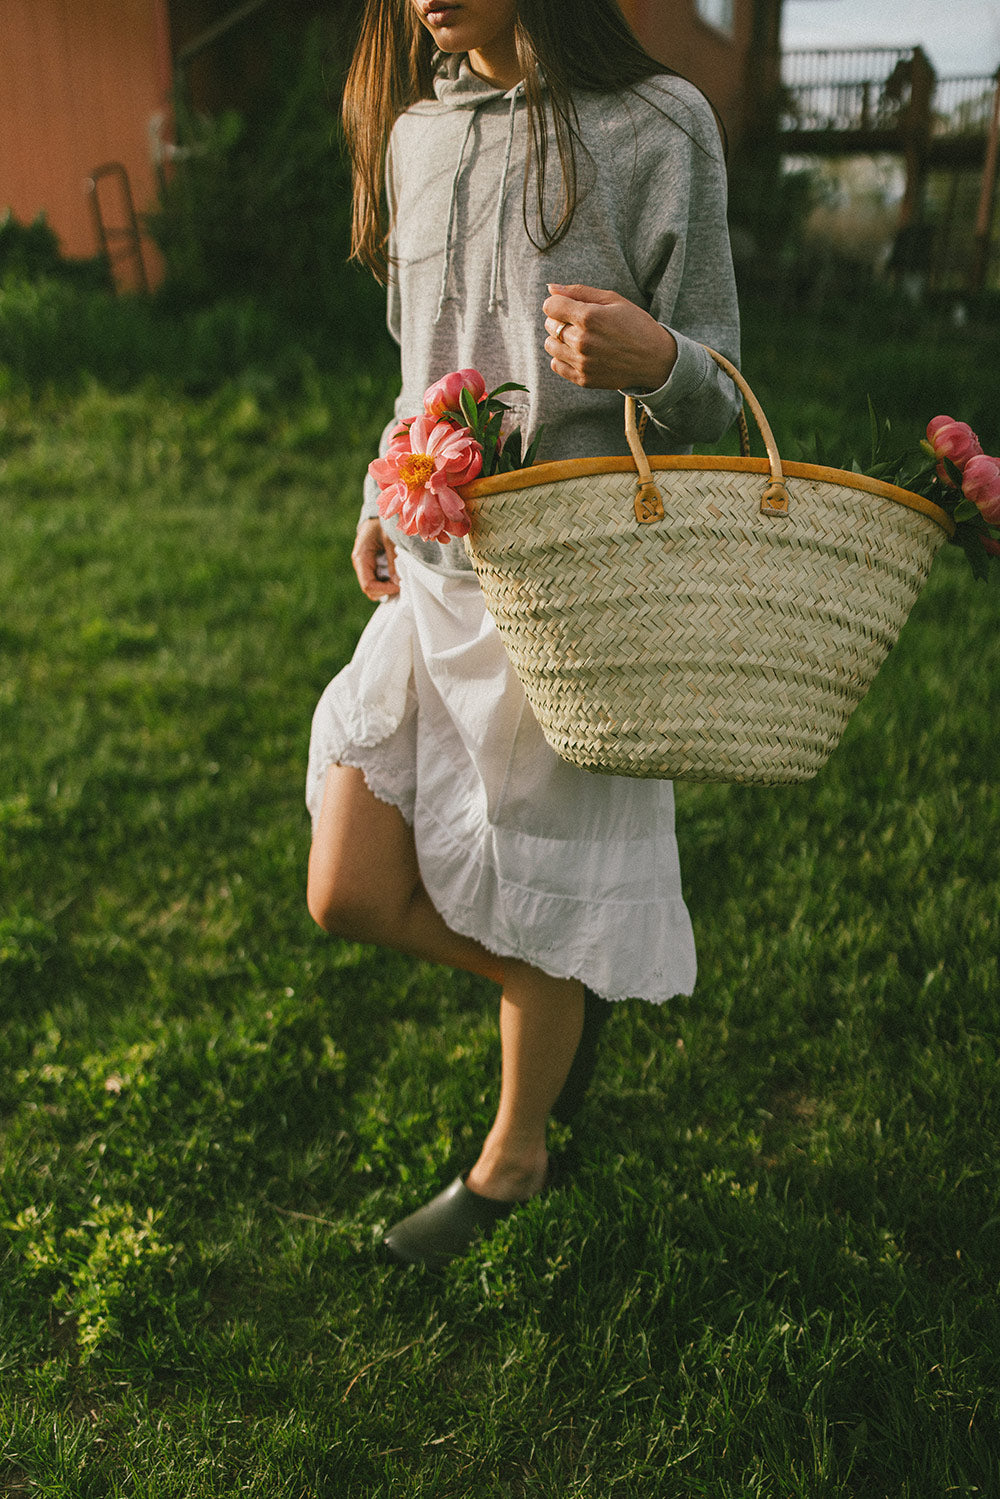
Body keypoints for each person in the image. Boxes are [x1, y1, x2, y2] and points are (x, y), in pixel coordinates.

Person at [306, 0, 741, 1267]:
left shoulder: (661, 123)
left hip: (575, 594)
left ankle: (515, 1153)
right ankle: (546, 982)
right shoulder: (416, 139)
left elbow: (719, 386)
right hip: (438, 563)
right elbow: (416, 362)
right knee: (346, 884)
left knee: (543, 887)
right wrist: (384, 482)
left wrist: (656, 357)